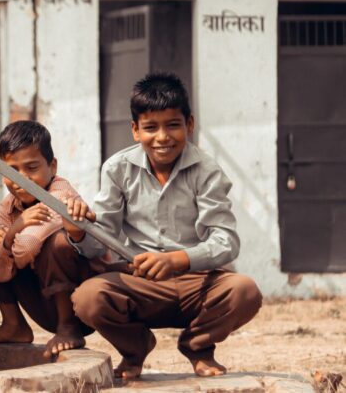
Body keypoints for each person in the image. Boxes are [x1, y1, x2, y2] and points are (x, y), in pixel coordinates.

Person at [70, 71, 262, 379]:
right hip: (139, 280)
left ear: (190, 124)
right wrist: (78, 230)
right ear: (135, 130)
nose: (162, 137)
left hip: (196, 281)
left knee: (245, 291)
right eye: (150, 127)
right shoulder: (117, 168)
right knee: (88, 298)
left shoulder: (207, 171)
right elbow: (99, 239)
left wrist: (178, 259)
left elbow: (226, 241)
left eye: (173, 125)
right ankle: (135, 349)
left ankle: (198, 346)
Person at [0, 121, 99, 359]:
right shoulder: (8, 205)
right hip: (41, 296)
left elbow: (26, 248)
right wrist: (12, 232)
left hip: (83, 306)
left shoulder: (60, 194)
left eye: (31, 168)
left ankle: (67, 328)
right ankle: (13, 325)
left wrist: (8, 242)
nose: (21, 179)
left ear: (53, 166)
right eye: (12, 170)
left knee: (57, 242)